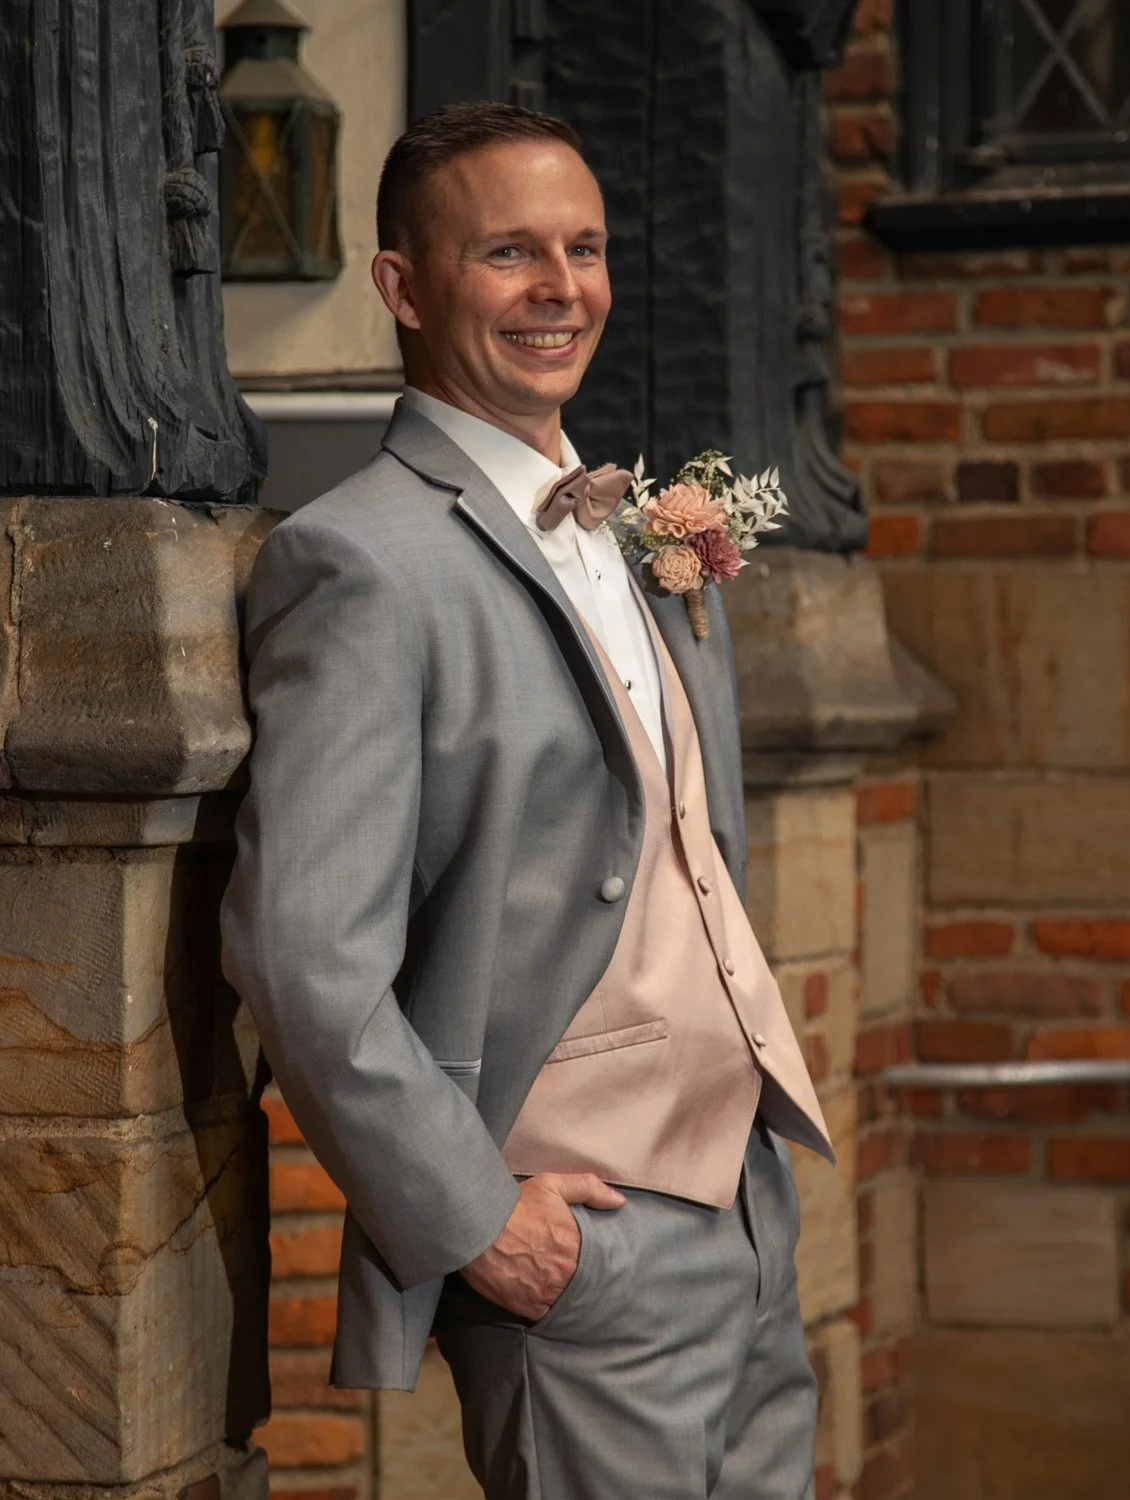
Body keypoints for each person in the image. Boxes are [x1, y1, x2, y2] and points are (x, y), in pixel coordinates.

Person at [221, 99, 834, 1499]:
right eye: (509, 253)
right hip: (581, 1251)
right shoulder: (358, 563)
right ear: (403, 286)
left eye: (586, 248)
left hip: (747, 1208)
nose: (563, 290)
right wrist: (481, 1221)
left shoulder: (646, 533)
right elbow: (301, 953)